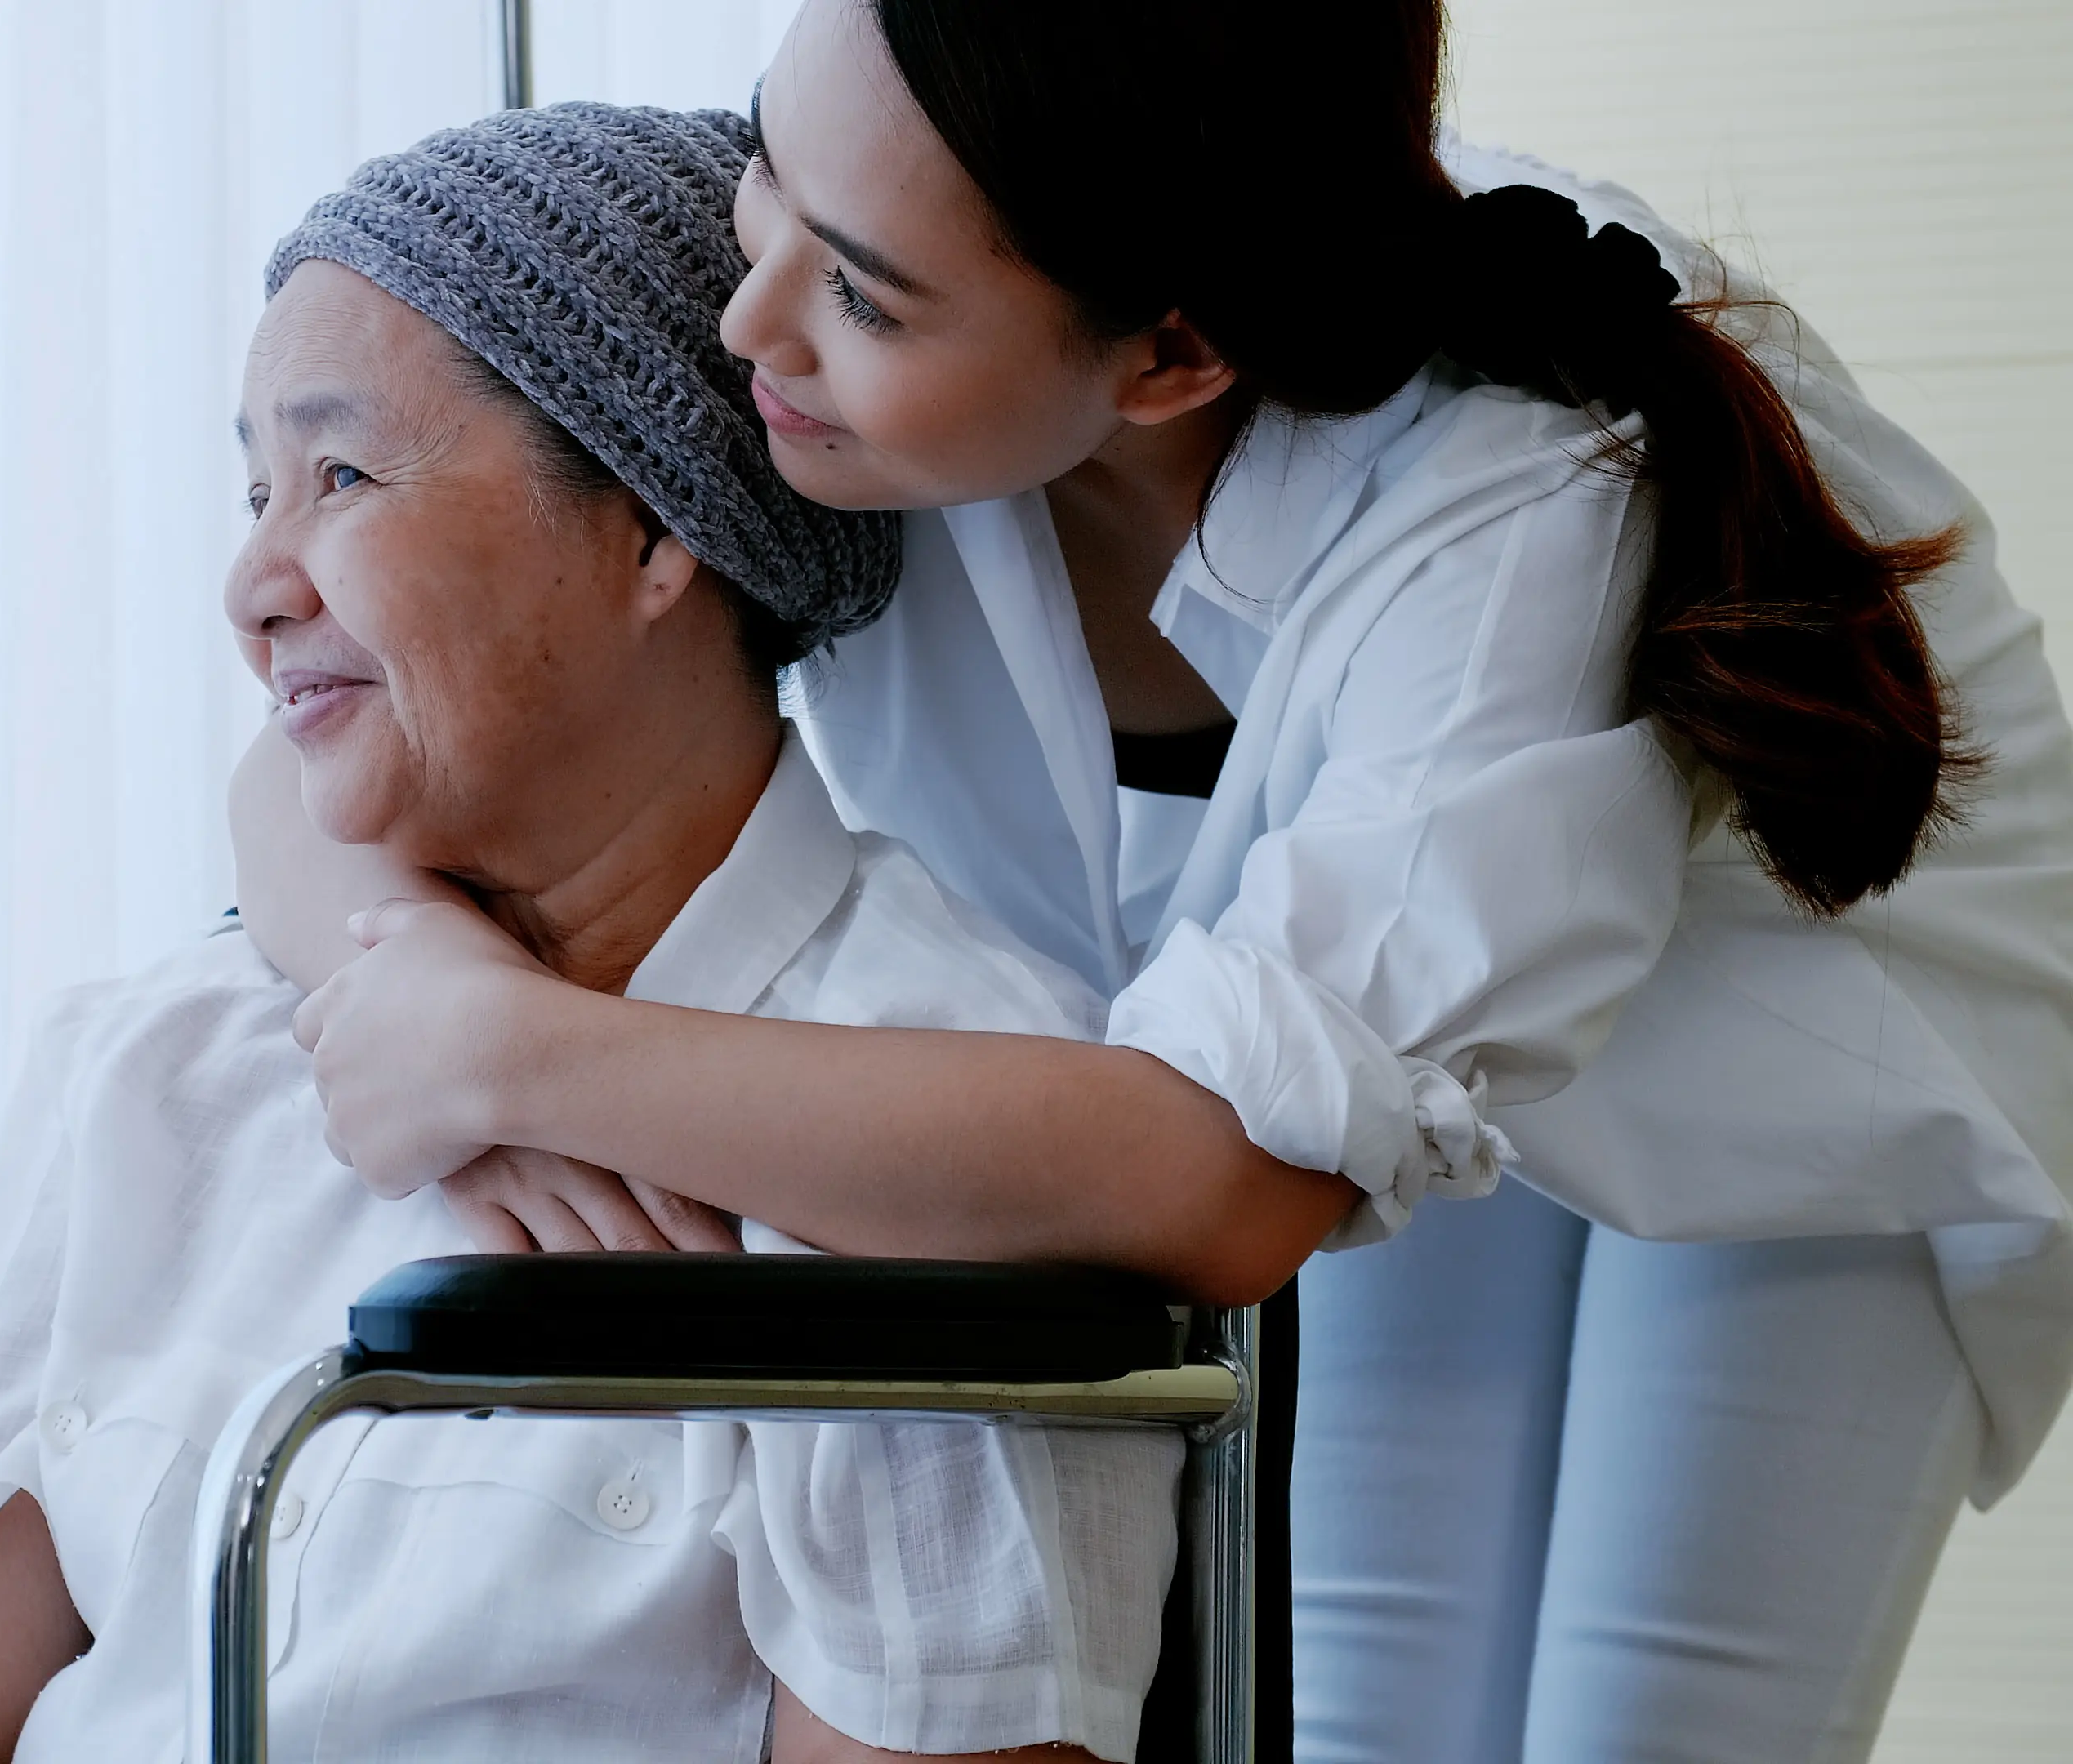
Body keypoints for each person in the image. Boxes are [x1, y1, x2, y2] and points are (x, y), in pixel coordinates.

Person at [243, 3, 2073, 1758]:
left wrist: (518, 1061)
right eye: (772, 174)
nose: (747, 318)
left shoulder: (1519, 508)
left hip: (1801, 1036)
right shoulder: (872, 219)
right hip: (1342, 1026)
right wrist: (413, 986)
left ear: (1171, 357)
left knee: (1653, 1734)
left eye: (863, 293)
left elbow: (1219, 1182)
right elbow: (308, 757)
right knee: (1353, 1711)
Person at [0, 103, 1188, 1764]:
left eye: (343, 474)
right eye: (254, 491)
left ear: (656, 532)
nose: (253, 583)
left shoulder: (943, 1138)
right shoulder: (168, 1061)